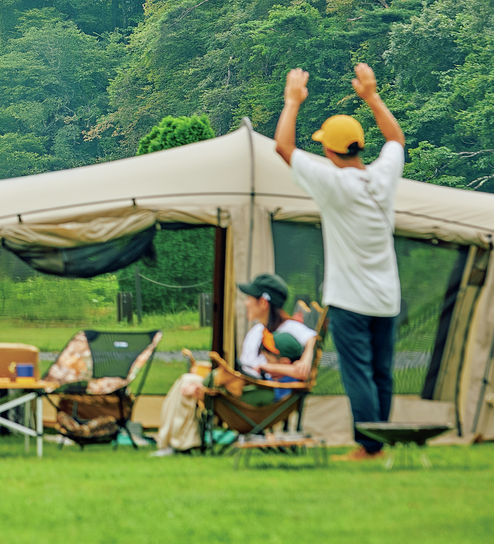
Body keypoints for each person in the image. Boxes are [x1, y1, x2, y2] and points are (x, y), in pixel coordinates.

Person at [276, 63, 406, 462]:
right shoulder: (383, 177)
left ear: (330, 151)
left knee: (359, 374)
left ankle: (369, 446)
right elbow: (396, 139)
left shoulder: (332, 183)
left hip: (351, 299)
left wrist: (292, 101)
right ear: (359, 145)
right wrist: (372, 96)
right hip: (387, 298)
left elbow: (283, 148)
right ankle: (377, 442)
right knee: (382, 372)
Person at [151, 273, 316, 456]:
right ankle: (176, 443)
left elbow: (313, 339)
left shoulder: (288, 329)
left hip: (257, 398)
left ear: (263, 303)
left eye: (249, 299)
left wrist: (306, 359)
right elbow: (245, 371)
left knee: (189, 382)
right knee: (186, 379)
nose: (245, 303)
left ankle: (179, 444)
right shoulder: (256, 332)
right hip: (243, 389)